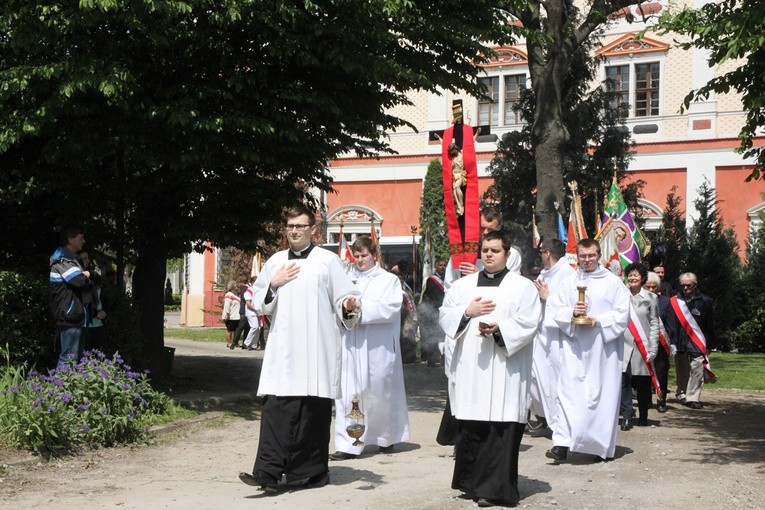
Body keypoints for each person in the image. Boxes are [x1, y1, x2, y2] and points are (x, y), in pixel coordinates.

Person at [238, 204, 360, 493]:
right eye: (290, 226)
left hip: (318, 349)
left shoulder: (328, 261)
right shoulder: (275, 262)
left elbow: (346, 298)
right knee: (277, 410)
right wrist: (274, 285)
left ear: (312, 230)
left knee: (311, 412)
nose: (294, 231)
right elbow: (259, 302)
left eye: (300, 226)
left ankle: (310, 473)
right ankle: (267, 472)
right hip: (284, 349)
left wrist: (349, 306)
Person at [439, 230, 541, 507]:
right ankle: (471, 483)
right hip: (472, 369)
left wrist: (501, 330)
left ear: (507, 254)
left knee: (500, 425)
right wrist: (467, 313)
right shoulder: (463, 286)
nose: (489, 255)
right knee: (473, 424)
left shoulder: (522, 287)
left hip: (506, 369)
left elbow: (530, 322)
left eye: (495, 250)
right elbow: (445, 315)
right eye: (485, 250)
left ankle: (495, 489)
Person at [546, 238, 630, 462]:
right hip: (573, 347)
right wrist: (572, 313)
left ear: (599, 255)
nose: (587, 260)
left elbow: (622, 314)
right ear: (577, 256)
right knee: (567, 393)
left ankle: (595, 446)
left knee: (598, 396)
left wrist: (598, 320)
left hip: (602, 350)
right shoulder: (569, 281)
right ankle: (562, 444)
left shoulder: (613, 282)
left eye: (591, 255)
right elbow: (556, 308)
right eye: (582, 256)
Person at [330, 235, 410, 460]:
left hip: (378, 347)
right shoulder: (346, 279)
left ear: (374, 255)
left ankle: (385, 437)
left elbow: (392, 307)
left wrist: (361, 306)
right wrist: (344, 306)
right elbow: (336, 304)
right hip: (351, 346)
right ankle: (349, 444)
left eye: (364, 255)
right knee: (349, 393)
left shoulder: (388, 280)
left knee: (378, 391)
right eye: (356, 256)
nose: (359, 260)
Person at [529, 239, 576, 435]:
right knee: (535, 379)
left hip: (558, 336)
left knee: (555, 380)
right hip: (541, 333)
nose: (540, 255)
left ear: (547, 253)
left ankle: (560, 424)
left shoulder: (568, 274)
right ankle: (544, 417)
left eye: (541, 252)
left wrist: (548, 299)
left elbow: (571, 305)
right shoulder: (544, 273)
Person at [666, 272, 715, 410]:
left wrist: (710, 344)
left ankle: (693, 397)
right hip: (679, 341)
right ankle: (682, 393)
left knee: (697, 368)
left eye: (689, 285)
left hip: (697, 341)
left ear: (695, 285)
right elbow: (671, 323)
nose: (686, 288)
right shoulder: (674, 301)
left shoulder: (705, 301)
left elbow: (709, 324)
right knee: (682, 369)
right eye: (683, 285)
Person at [620, 263, 659, 430]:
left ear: (643, 278)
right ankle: (627, 415)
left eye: (636, 275)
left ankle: (643, 415)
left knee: (643, 383)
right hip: (623, 346)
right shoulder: (621, 295)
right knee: (624, 381)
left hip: (642, 346)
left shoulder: (651, 298)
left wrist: (653, 347)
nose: (633, 278)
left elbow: (655, 324)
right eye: (630, 275)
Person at [49, 224, 93, 368]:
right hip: (70, 316)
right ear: (71, 239)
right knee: (68, 358)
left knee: (78, 358)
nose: (84, 241)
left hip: (78, 316)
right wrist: (86, 275)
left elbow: (89, 281)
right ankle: (60, 389)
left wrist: (87, 276)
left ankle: (72, 389)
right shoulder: (62, 260)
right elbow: (79, 281)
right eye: (81, 238)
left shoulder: (72, 259)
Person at [443, 208, 521, 289]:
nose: (485, 232)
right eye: (482, 228)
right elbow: (449, 286)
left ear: (499, 228)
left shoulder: (511, 254)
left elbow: (512, 286)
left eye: (490, 229)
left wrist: (480, 276)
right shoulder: (460, 253)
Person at [644, 271, 674, 413]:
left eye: (654, 287)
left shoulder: (666, 302)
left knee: (661, 373)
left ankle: (661, 400)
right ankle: (646, 400)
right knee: (645, 373)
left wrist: (672, 342)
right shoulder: (639, 300)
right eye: (648, 287)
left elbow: (670, 324)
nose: (651, 290)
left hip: (661, 344)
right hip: (644, 343)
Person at [77, 250, 108, 353]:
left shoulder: (95, 276)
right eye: (84, 258)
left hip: (99, 324)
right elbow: (80, 302)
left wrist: (104, 311)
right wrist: (95, 313)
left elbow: (102, 297)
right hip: (85, 325)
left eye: (88, 258)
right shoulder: (77, 279)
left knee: (101, 355)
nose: (87, 260)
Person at [418, 258, 446, 367]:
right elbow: (435, 297)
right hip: (434, 311)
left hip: (443, 311)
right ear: (436, 267)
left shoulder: (447, 279)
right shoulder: (432, 280)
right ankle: (432, 359)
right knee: (433, 335)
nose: (443, 267)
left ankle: (444, 358)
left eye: (444, 265)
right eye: (440, 265)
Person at [242, 276, 261, 350]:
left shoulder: (257, 290)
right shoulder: (249, 290)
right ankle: (246, 343)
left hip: (257, 312)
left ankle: (253, 344)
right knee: (255, 327)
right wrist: (255, 308)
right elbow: (248, 303)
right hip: (251, 312)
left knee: (258, 328)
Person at [221, 281, 241, 349]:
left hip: (236, 316)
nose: (236, 287)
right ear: (232, 287)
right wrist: (227, 314)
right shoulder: (228, 295)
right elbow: (227, 305)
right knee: (229, 330)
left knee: (236, 330)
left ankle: (235, 342)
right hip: (230, 316)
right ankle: (229, 343)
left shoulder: (235, 295)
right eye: (235, 286)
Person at [231, 281, 250, 349]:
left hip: (248, 311)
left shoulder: (247, 288)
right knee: (240, 327)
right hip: (244, 311)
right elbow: (245, 298)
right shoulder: (245, 288)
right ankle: (234, 342)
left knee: (247, 328)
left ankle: (245, 343)